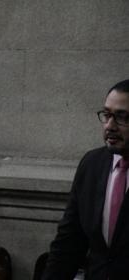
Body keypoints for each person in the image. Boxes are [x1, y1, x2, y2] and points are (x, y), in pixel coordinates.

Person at [42, 80, 129, 280]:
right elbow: (69, 244)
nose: (110, 126)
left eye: (122, 117)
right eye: (107, 115)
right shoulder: (92, 164)